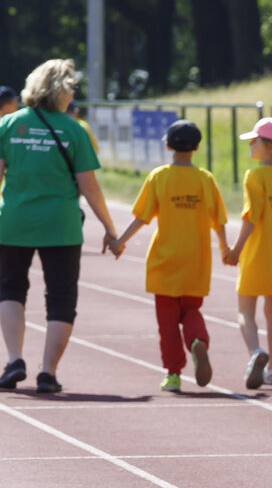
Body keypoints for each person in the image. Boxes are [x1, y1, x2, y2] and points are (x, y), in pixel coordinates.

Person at [0, 59, 117, 394]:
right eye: (72, 87)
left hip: (14, 220)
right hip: (61, 225)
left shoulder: (8, 124)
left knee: (9, 288)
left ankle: (13, 359)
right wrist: (110, 229)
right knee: (62, 297)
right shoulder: (73, 129)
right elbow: (90, 187)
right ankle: (48, 373)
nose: (74, 93)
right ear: (61, 89)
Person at [109, 120, 230, 392]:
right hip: (196, 260)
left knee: (167, 323)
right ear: (197, 147)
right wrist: (225, 249)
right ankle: (198, 341)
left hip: (165, 260)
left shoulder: (159, 177)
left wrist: (120, 242)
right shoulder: (205, 179)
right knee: (191, 310)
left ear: (167, 146)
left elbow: (141, 217)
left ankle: (173, 373)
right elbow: (220, 221)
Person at [225, 117, 272, 389]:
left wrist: (235, 249)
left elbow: (251, 217)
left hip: (256, 255)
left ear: (269, 147)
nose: (251, 145)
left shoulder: (254, 176)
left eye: (254, 141)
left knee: (245, 311)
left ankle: (256, 351)